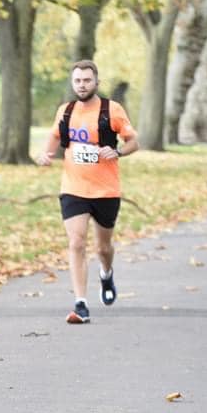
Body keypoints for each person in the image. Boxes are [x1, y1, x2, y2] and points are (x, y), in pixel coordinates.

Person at [37, 59, 139, 324]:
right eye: (77, 81)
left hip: (106, 190)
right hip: (73, 187)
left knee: (103, 247)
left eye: (86, 80)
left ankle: (106, 273)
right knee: (77, 242)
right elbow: (55, 136)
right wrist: (46, 154)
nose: (82, 85)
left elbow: (133, 141)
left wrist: (117, 151)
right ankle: (81, 304)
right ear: (73, 83)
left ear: (96, 82)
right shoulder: (66, 110)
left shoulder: (112, 110)